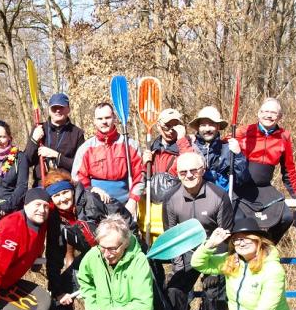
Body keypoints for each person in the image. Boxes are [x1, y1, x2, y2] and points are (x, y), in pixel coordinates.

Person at [189, 219, 292, 310]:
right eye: (236, 240)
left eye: (246, 238)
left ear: (258, 240)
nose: (241, 243)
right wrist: (210, 244)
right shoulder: (231, 261)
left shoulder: (272, 270)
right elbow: (198, 264)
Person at [161, 152, 233, 310]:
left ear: (202, 170)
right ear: (177, 173)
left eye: (193, 170)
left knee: (213, 290)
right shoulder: (170, 198)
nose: (189, 175)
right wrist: (178, 267)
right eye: (183, 172)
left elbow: (226, 237)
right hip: (186, 253)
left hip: (214, 252)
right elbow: (171, 238)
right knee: (174, 291)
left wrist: (215, 270)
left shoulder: (219, 196)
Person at [43, 168, 128, 310]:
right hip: (93, 257)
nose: (62, 199)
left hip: (121, 253)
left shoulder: (92, 199)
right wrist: (57, 291)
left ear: (72, 190)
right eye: (56, 196)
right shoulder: (56, 219)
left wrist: (126, 252)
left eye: (65, 193)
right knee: (62, 286)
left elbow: (126, 223)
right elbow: (54, 255)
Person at [234, 98, 296, 243]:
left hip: (264, 188)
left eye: (273, 113)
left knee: (287, 217)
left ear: (279, 116)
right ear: (258, 113)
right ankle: (240, 255)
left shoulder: (284, 136)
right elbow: (221, 149)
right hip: (241, 187)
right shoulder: (243, 132)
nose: (269, 115)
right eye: (265, 111)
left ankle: (266, 247)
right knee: (238, 219)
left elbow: (288, 169)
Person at [71, 102, 144, 219]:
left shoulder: (129, 145)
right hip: (95, 206)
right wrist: (92, 189)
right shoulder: (86, 148)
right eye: (100, 118)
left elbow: (140, 176)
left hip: (125, 206)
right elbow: (77, 178)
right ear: (94, 121)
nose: (104, 121)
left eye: (107, 117)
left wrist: (133, 200)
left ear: (114, 118)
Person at [142, 108, 188, 241]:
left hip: (177, 205)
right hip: (154, 208)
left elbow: (190, 165)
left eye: (175, 125)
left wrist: (182, 140)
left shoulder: (186, 146)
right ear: (158, 126)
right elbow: (142, 178)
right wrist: (145, 164)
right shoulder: (152, 148)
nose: (171, 130)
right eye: (167, 126)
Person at [24, 92, 85, 187]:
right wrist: (34, 140)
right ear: (49, 109)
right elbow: (26, 161)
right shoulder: (39, 129)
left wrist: (57, 156)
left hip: (66, 184)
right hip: (42, 184)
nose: (58, 111)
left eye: (61, 107)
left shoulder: (77, 133)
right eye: (54, 107)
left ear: (68, 109)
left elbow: (80, 166)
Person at [187, 105, 249, 194]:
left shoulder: (228, 149)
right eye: (203, 125)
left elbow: (242, 179)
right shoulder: (189, 147)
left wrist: (238, 155)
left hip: (220, 199)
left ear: (218, 126)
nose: (207, 129)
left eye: (211, 124)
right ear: (198, 128)